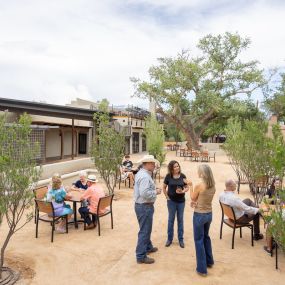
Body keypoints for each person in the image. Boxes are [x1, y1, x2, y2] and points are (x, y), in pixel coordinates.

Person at [134, 154, 162, 264]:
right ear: (147, 164)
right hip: (144, 206)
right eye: (152, 163)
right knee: (145, 230)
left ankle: (148, 247)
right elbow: (144, 193)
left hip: (143, 206)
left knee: (146, 228)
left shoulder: (143, 173)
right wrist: (156, 192)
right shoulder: (144, 176)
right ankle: (141, 256)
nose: (154, 165)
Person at [190, 164, 215, 277]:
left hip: (199, 215)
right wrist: (196, 203)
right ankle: (209, 261)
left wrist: (190, 186)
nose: (198, 172)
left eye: (199, 171)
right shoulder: (212, 185)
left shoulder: (199, 185)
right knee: (206, 237)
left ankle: (201, 269)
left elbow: (193, 197)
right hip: (209, 214)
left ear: (203, 173)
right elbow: (203, 200)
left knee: (198, 240)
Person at [163, 160, 189, 248]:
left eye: (178, 166)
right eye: (175, 166)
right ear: (171, 168)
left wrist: (183, 191)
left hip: (181, 201)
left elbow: (187, 186)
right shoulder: (168, 176)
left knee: (180, 220)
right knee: (171, 220)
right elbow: (164, 187)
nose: (177, 168)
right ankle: (169, 239)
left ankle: (180, 239)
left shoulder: (183, 176)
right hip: (171, 202)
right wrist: (167, 197)